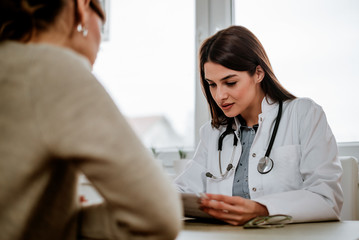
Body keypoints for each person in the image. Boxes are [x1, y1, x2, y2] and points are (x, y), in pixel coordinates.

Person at [0, 0, 182, 239]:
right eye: (102, 21)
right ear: (82, 8)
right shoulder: (54, 70)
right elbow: (160, 216)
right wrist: (64, 224)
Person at [175, 25, 343, 226]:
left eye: (230, 82)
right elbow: (181, 191)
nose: (220, 95)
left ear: (258, 73)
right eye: (212, 84)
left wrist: (261, 209)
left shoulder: (304, 114)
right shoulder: (213, 133)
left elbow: (327, 198)